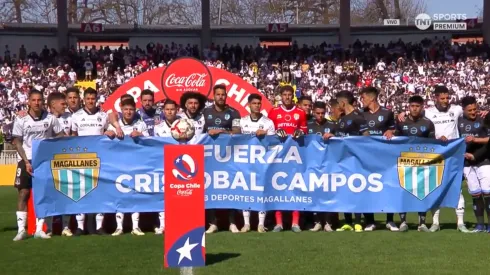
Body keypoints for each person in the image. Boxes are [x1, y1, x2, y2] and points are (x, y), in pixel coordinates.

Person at [399, 86, 470, 233]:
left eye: (447, 98)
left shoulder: (456, 109)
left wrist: (483, 112)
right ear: (436, 98)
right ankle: (435, 223)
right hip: (434, 155)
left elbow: (471, 111)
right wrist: (402, 113)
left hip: (453, 154)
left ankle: (461, 223)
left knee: (456, 187)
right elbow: (414, 111)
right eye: (442, 98)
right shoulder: (428, 112)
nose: (445, 101)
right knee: (433, 187)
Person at [12, 89, 65, 241]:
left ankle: (40, 229)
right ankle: (21, 230)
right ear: (28, 101)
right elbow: (17, 142)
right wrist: (26, 162)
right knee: (23, 193)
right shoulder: (21, 119)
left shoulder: (50, 118)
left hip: (44, 161)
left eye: (39, 100)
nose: (36, 103)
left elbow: (60, 136)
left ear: (43, 102)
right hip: (25, 159)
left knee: (43, 195)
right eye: (33, 100)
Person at [106, 98, 149, 236]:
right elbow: (104, 139)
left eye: (131, 109)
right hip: (118, 165)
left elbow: (150, 142)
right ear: (121, 110)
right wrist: (107, 134)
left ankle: (135, 226)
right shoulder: (114, 125)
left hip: (137, 165)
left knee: (135, 194)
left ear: (135, 110)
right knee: (120, 194)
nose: (128, 112)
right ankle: (119, 226)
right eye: (126, 109)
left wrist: (141, 135)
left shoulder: (141, 124)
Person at [268, 85, 307, 233]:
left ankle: (295, 222)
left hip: (295, 155)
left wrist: (299, 132)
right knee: (278, 186)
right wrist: (277, 131)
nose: (287, 97)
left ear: (293, 96)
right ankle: (279, 223)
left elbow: (304, 129)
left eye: (289, 95)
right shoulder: (274, 112)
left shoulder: (300, 113)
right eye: (284, 95)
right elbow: (269, 131)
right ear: (281, 96)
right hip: (278, 155)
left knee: (294, 186)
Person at [203, 84, 241, 234]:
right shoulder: (205, 112)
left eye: (223, 94)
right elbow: (199, 131)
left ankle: (232, 222)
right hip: (209, 157)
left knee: (230, 186)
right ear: (213, 96)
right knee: (211, 187)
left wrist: (221, 131)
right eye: (218, 94)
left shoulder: (234, 112)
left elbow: (238, 131)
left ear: (226, 96)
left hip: (229, 157)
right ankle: (213, 223)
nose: (220, 97)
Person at [71, 87, 110, 236]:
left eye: (93, 98)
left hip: (100, 160)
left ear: (96, 99)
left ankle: (99, 226)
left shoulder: (103, 116)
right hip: (81, 160)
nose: (90, 101)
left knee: (100, 192)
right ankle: (81, 227)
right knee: (80, 192)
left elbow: (107, 133)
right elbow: (73, 136)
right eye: (88, 99)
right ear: (84, 100)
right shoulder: (76, 116)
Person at [394, 95, 435, 232]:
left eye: (417, 106)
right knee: (403, 191)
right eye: (412, 106)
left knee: (422, 192)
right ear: (409, 107)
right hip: (404, 161)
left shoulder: (428, 123)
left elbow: (432, 144)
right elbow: (395, 140)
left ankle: (422, 223)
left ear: (422, 107)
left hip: (422, 162)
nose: (415, 108)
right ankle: (403, 222)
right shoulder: (401, 121)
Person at [330, 90, 368, 233]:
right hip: (342, 160)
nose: (337, 106)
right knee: (344, 191)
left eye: (338, 103)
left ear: (343, 102)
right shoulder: (341, 118)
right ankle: (347, 222)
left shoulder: (358, 117)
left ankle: (358, 222)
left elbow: (366, 138)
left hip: (355, 160)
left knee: (355, 189)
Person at [359, 87, 395, 232]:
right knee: (367, 188)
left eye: (363, 98)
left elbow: (395, 129)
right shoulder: (360, 114)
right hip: (366, 157)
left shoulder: (387, 112)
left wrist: (391, 131)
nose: (362, 101)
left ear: (372, 99)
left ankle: (390, 220)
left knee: (388, 187)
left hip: (384, 157)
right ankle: (369, 221)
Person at [239, 93, 275, 233]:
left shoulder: (268, 122)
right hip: (245, 161)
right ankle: (246, 223)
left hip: (262, 162)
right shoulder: (242, 121)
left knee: (261, 190)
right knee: (245, 190)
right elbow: (235, 137)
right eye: (254, 103)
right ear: (248, 105)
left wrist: (266, 135)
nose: (257, 106)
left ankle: (261, 224)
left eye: (259, 103)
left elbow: (274, 143)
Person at [457, 96, 490, 232]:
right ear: (463, 110)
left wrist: (475, 141)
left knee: (488, 194)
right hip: (467, 163)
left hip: (484, 161)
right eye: (469, 110)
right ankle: (480, 224)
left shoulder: (484, 119)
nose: (473, 112)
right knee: (475, 195)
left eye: (475, 109)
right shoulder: (458, 122)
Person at [308, 100, 339, 232]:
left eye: (322, 113)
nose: (320, 115)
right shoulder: (308, 125)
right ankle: (317, 222)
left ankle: (327, 222)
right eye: (317, 113)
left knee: (327, 192)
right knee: (315, 193)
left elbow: (341, 141)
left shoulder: (332, 124)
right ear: (313, 113)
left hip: (328, 163)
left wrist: (333, 136)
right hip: (312, 164)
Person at [46, 92, 73, 236]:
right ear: (53, 105)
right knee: (49, 195)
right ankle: (49, 228)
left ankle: (66, 227)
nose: (65, 105)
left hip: (65, 160)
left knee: (66, 193)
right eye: (62, 103)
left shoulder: (70, 117)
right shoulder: (44, 118)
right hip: (48, 162)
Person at [154, 99, 182, 235]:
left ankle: (179, 222)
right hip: (162, 164)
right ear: (163, 111)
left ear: (177, 110)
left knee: (180, 195)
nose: (170, 111)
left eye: (172, 109)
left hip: (180, 166)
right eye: (167, 109)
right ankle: (163, 224)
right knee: (163, 194)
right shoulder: (158, 128)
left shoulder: (184, 125)